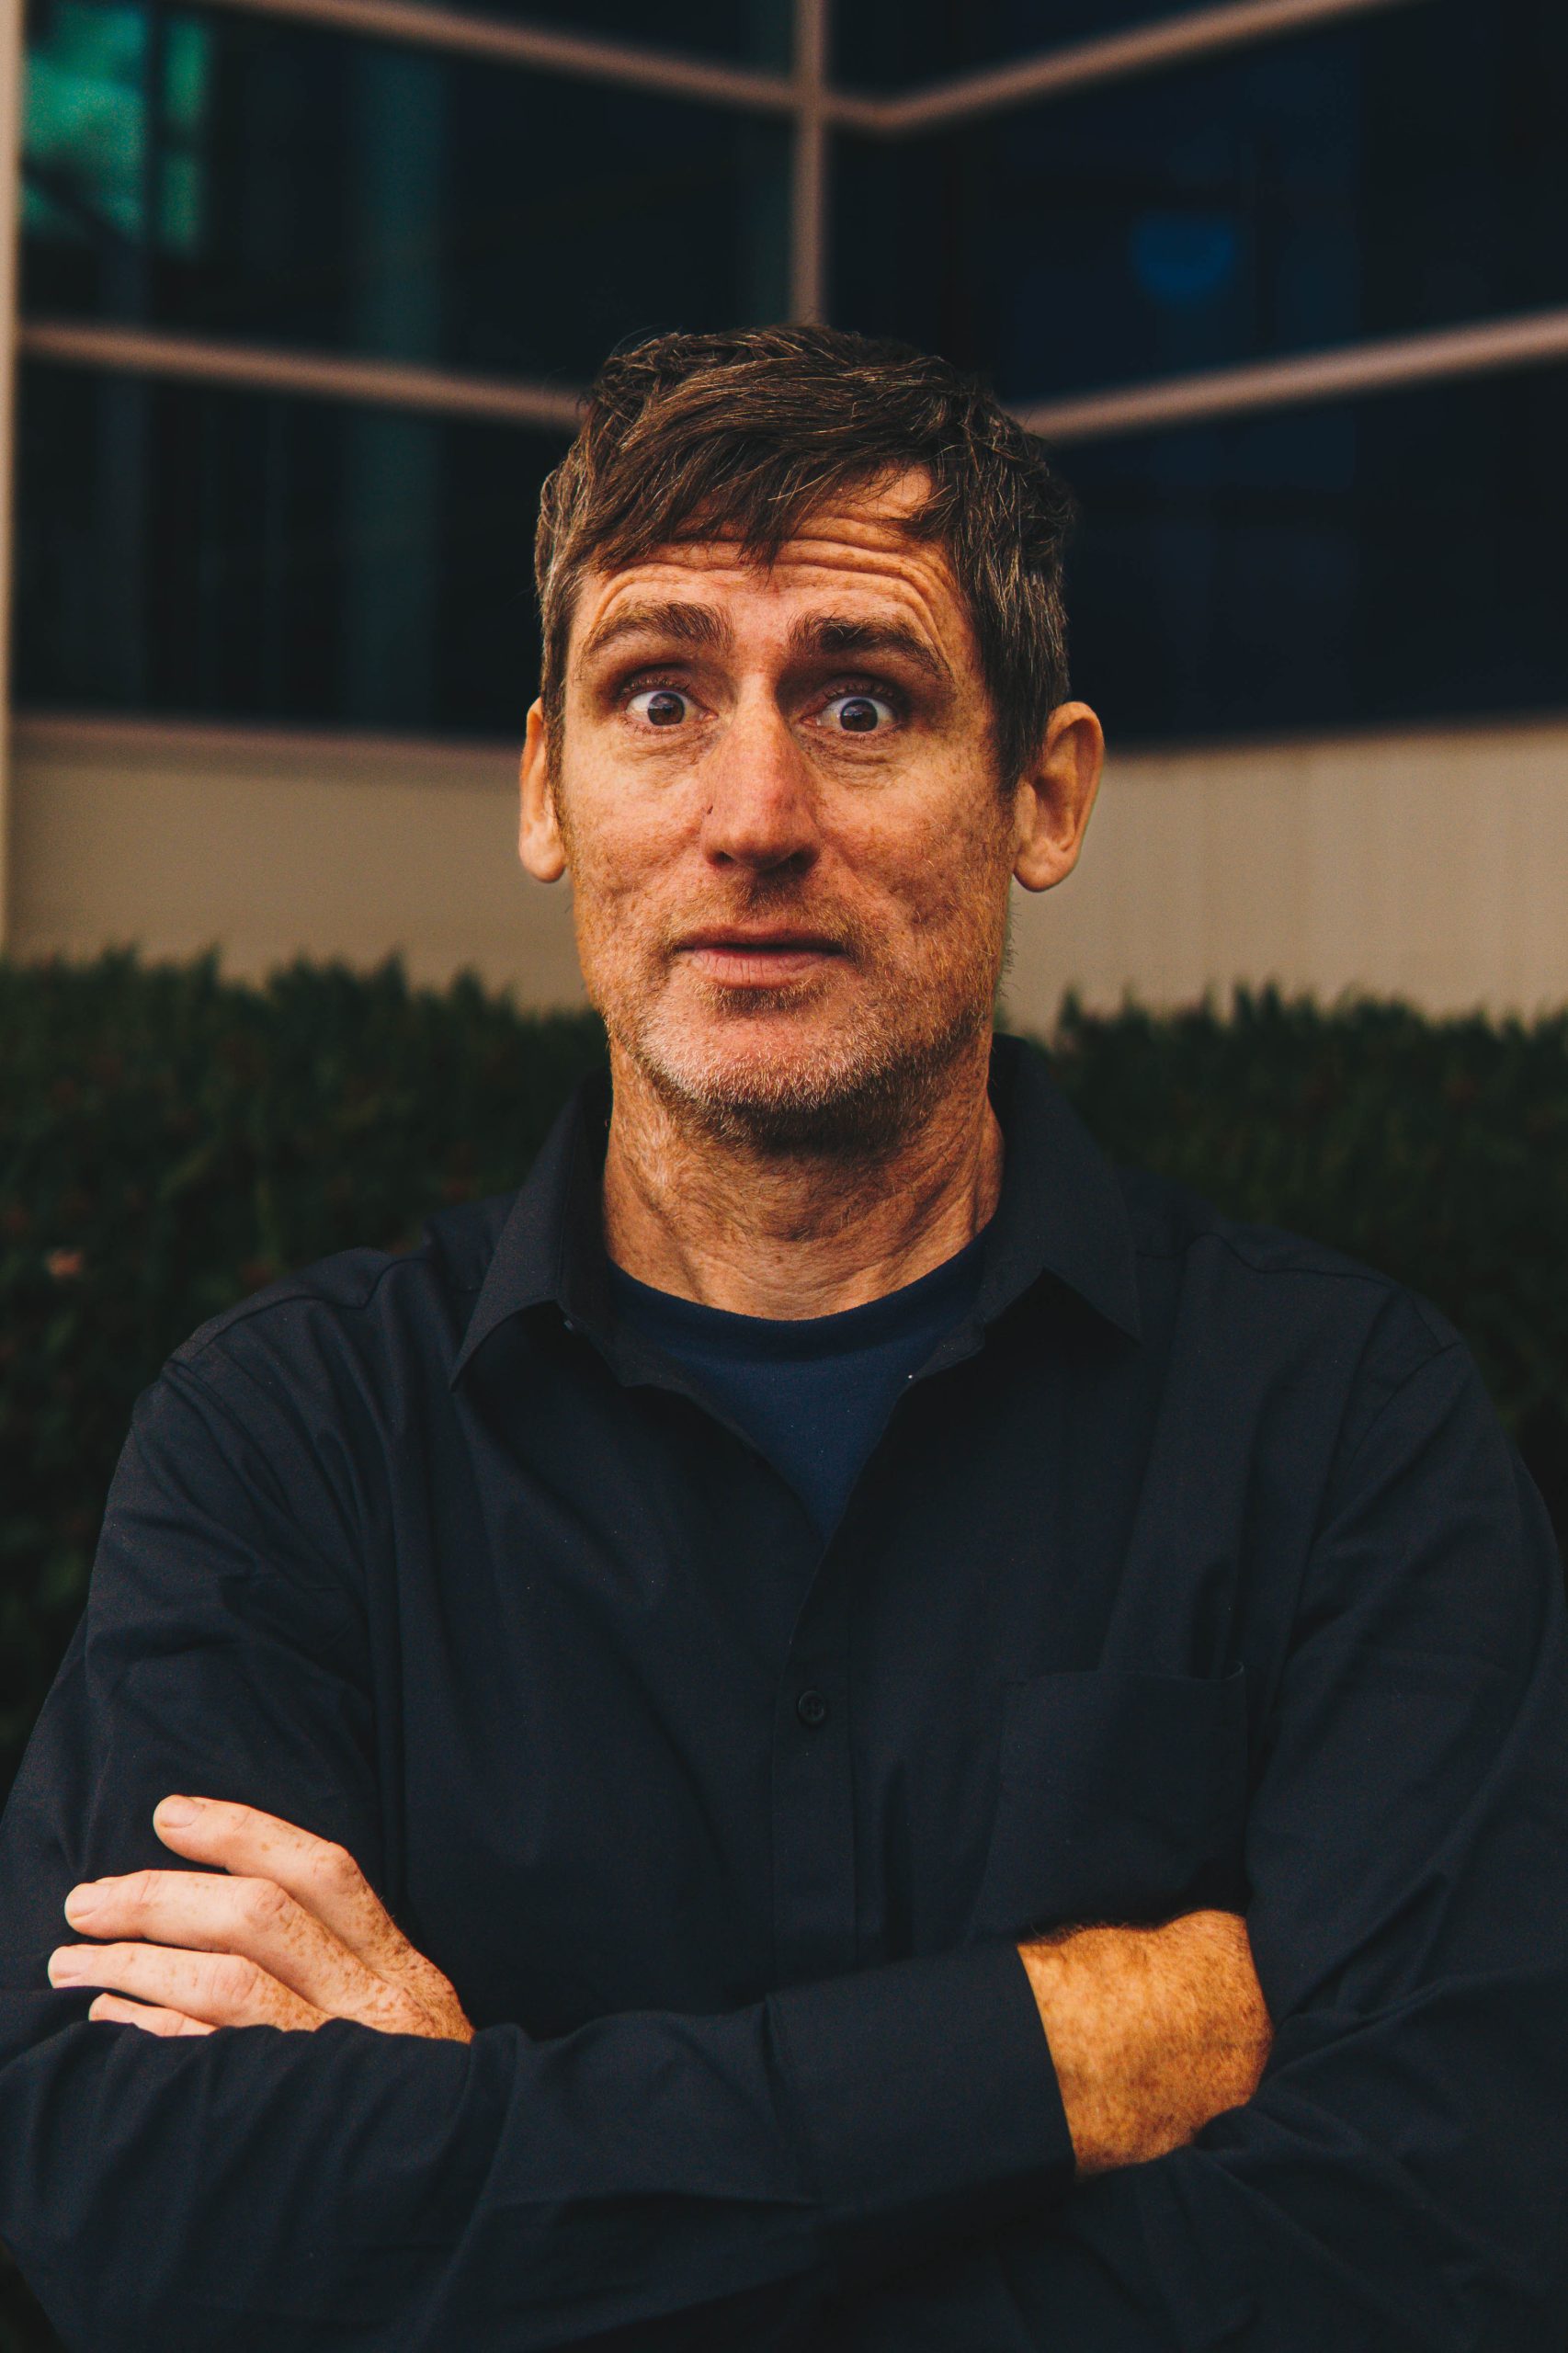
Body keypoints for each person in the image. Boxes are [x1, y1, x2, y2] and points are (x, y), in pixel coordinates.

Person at [1, 325, 1565, 2352]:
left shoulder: (1341, 1429)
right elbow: (143, 2199)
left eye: (860, 699)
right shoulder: (285, 1444)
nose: (754, 813)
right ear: (548, 789)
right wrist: (1049, 2049)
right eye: (659, 694)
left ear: (1041, 794)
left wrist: (484, 2185)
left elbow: (1445, 2228)